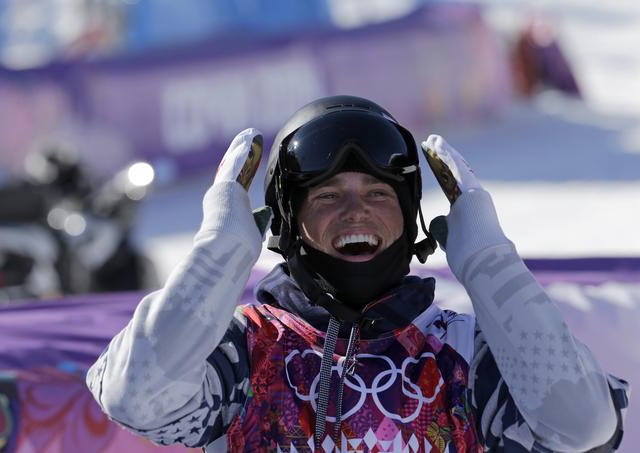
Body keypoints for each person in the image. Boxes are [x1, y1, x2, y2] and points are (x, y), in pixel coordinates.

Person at [87, 95, 629, 452]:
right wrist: (219, 250)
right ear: (288, 222)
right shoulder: (243, 351)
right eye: (326, 196)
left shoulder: (462, 353)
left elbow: (582, 428)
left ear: (411, 215)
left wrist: (489, 259)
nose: (355, 212)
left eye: (377, 193)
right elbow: (137, 394)